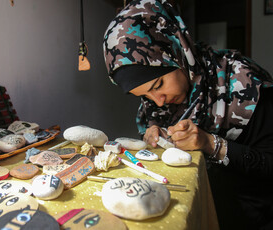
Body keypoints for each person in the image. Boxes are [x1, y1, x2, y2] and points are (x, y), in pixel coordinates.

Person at [102, 0, 273, 229]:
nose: (158, 101)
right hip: (198, 207)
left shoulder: (245, 84)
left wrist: (211, 144)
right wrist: (156, 134)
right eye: (143, 96)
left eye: (159, 84)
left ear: (176, 52)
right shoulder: (155, 103)